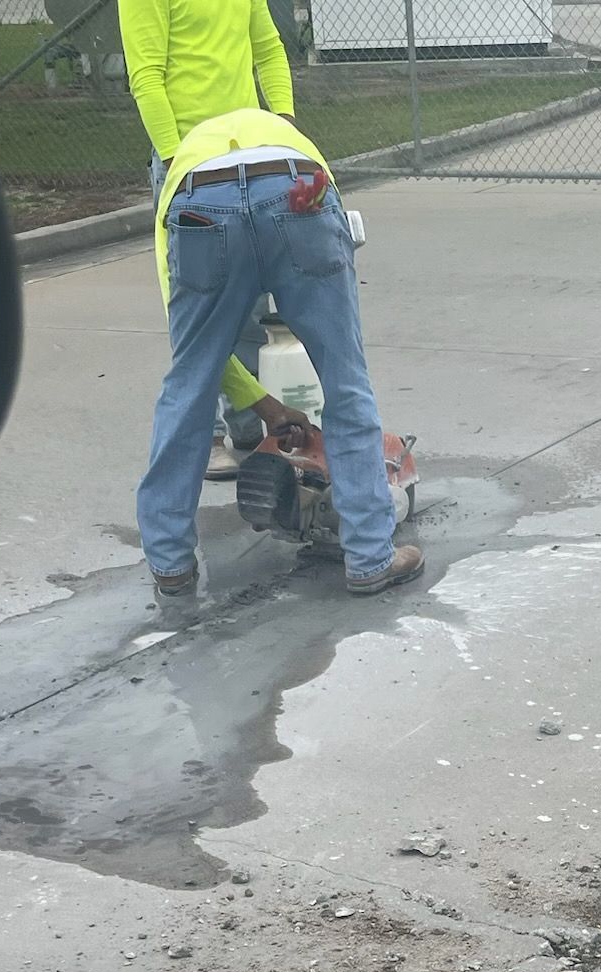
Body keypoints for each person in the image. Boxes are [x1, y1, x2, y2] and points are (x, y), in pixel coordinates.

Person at [139, 105, 423, 600]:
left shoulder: (175, 179)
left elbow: (194, 355)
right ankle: (369, 558)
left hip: (199, 205)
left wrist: (260, 405)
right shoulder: (283, 133)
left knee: (188, 385)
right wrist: (269, 405)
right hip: (297, 188)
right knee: (344, 377)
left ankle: (170, 565)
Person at [119, 0, 292, 480]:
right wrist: (177, 162)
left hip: (247, 155)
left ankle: (251, 427)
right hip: (188, 162)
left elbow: (269, 49)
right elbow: (147, 78)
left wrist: (283, 122)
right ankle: (211, 435)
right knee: (198, 309)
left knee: (252, 302)